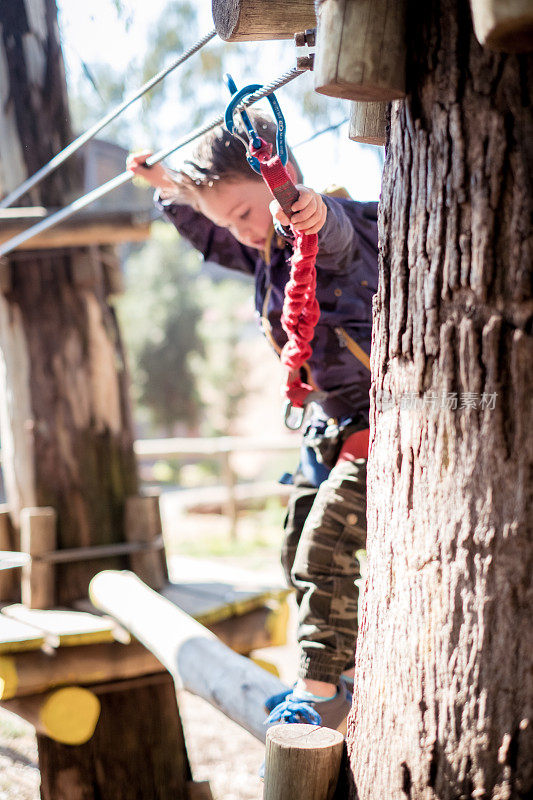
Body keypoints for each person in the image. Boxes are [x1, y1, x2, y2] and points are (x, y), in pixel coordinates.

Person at [127, 109, 378, 733]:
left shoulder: (321, 228)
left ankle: (323, 693)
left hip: (382, 427)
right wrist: (174, 187)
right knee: (295, 544)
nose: (237, 233)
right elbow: (211, 232)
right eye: (227, 222)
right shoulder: (262, 248)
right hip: (330, 426)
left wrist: (313, 212)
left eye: (243, 213)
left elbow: (341, 235)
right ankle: (330, 670)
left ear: (279, 174)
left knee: (328, 548)